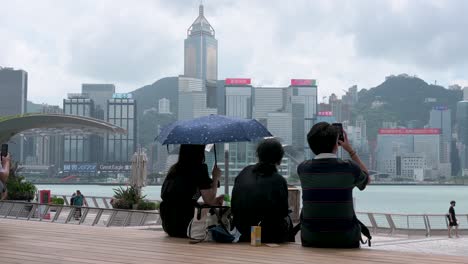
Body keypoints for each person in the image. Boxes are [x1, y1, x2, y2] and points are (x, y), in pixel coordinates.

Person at [298, 122, 370, 248]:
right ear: (336, 144)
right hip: (345, 239)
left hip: (311, 239)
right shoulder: (349, 168)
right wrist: (350, 151)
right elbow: (367, 179)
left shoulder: (303, 169)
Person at [231, 139, 293, 243]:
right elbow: (283, 212)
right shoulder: (278, 180)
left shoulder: (245, 171)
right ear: (279, 159)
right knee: (288, 221)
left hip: (243, 229)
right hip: (267, 233)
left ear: (258, 155)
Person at [160, 144, 224, 238]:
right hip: (186, 226)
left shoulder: (174, 169)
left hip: (169, 226)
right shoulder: (199, 169)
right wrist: (215, 177)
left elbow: (183, 199)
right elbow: (209, 200)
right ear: (199, 152)